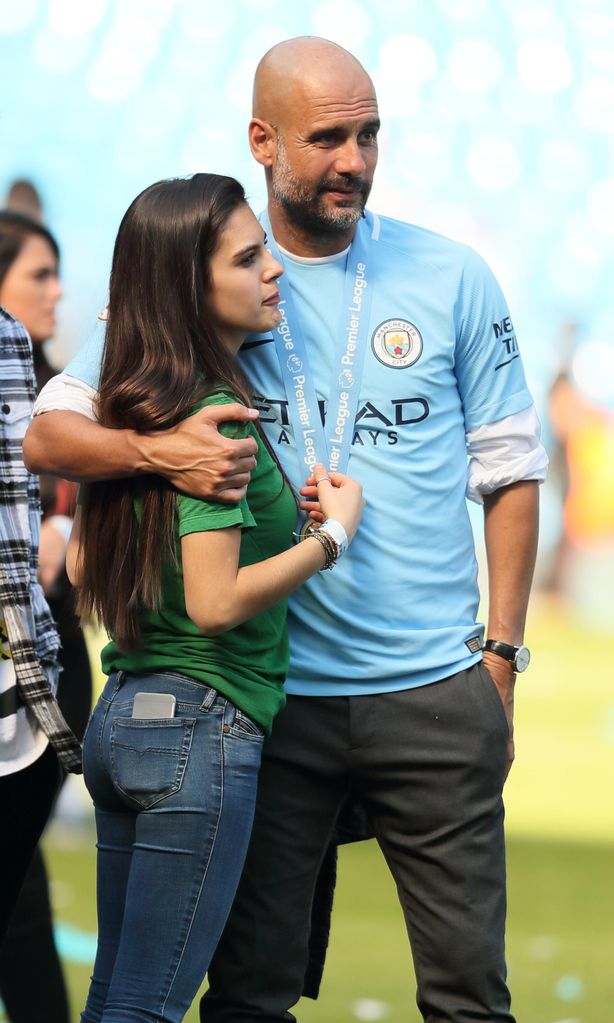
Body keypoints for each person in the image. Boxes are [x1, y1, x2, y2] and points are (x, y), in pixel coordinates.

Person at [25, 36, 548, 1023]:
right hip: (273, 706)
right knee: (251, 993)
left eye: (369, 135)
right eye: (328, 139)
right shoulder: (205, 287)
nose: (354, 159)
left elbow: (511, 470)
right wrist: (163, 454)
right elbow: (51, 431)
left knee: (468, 995)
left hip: (433, 691)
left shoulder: (449, 276)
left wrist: (500, 661)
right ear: (262, 141)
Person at [62, 171, 364, 1023]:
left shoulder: (134, 408)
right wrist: (329, 536)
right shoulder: (214, 415)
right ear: (190, 286)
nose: (273, 267)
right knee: (146, 1009)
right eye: (247, 256)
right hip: (200, 726)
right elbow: (215, 602)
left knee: (113, 1002)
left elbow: (87, 567)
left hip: (124, 719)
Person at [0, 209, 93, 1023]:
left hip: (48, 668)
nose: (57, 290)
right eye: (39, 274)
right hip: (22, 671)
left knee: (24, 902)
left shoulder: (66, 388)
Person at [0, 306, 81, 946]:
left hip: (28, 691)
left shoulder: (11, 338)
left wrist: (63, 527)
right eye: (37, 274)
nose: (53, 293)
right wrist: (330, 538)